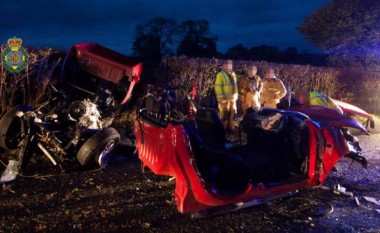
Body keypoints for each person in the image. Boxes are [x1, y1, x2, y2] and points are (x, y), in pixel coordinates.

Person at [214, 60, 238, 133]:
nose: (229, 67)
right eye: (227, 65)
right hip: (224, 100)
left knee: (233, 115)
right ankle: (222, 131)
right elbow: (218, 87)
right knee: (224, 116)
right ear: (224, 66)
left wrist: (236, 96)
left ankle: (231, 130)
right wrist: (221, 99)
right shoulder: (220, 75)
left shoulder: (233, 75)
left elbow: (235, 87)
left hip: (232, 100)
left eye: (230, 65)